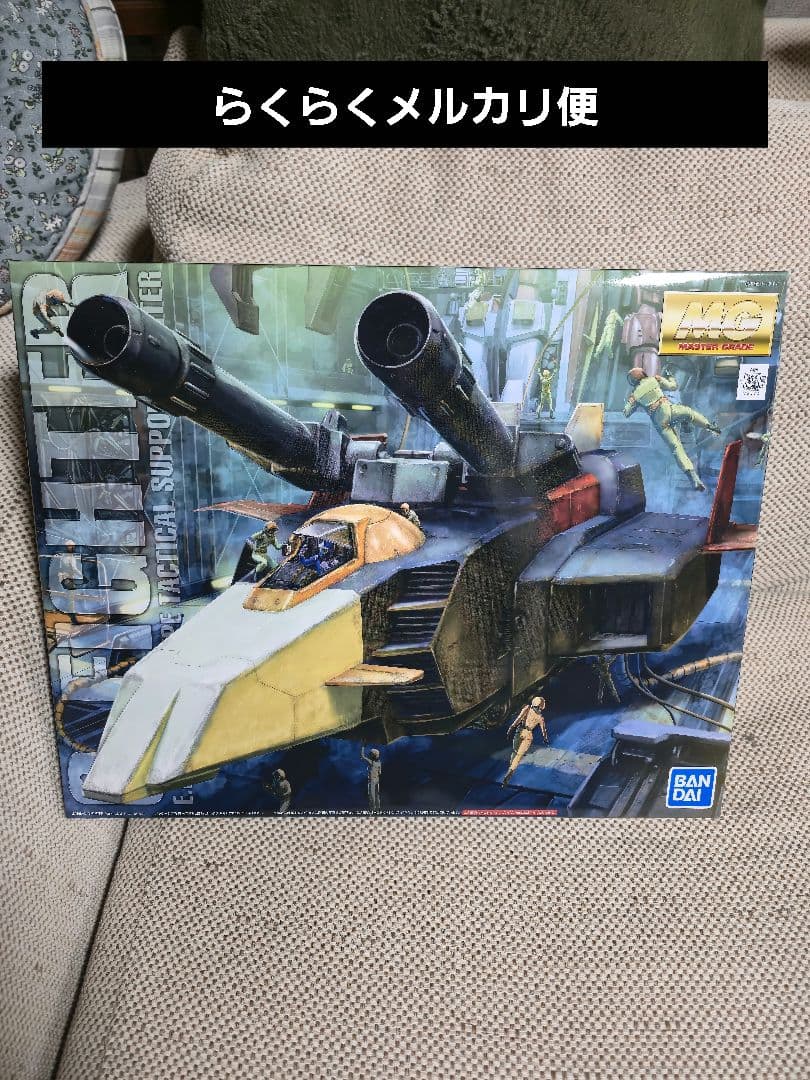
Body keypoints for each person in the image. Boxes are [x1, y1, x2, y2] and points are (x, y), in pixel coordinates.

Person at [623, 367, 721, 492]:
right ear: (643, 374)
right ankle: (710, 426)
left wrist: (631, 401)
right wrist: (670, 376)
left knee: (676, 448)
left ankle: (694, 478)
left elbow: (626, 413)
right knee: (689, 413)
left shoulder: (635, 394)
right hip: (668, 409)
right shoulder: (654, 379)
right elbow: (673, 386)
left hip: (659, 420)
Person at [503, 696, 548, 786]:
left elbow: (518, 719)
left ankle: (511, 769)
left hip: (521, 732)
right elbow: (544, 730)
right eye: (539, 708)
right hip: (527, 734)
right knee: (518, 754)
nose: (539, 710)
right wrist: (545, 739)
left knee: (516, 753)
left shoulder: (528, 709)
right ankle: (511, 770)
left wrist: (511, 728)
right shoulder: (539, 717)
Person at [360, 746, 382, 813]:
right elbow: (380, 772)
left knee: (372, 795)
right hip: (377, 780)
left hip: (372, 780)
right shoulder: (379, 763)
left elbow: (362, 756)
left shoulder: (371, 762)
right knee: (377, 795)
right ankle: (378, 808)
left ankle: (372, 809)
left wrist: (363, 747)